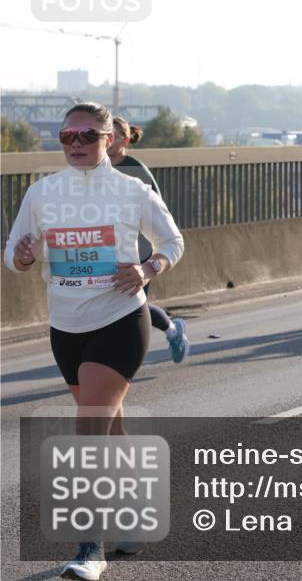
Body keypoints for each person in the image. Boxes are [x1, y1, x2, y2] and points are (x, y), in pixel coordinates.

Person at [4, 102, 184, 581]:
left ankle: (89, 547)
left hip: (121, 321)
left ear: (110, 138)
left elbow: (173, 242)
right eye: (67, 137)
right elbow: (13, 252)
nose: (76, 145)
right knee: (111, 432)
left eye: (86, 135)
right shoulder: (43, 193)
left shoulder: (133, 190)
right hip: (65, 328)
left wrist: (148, 269)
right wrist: (22, 257)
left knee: (88, 433)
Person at [108, 117, 190, 362]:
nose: (107, 141)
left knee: (134, 304)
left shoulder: (136, 169)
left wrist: (151, 255)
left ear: (124, 139)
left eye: (112, 136)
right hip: (108, 248)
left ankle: (173, 331)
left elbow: (156, 211)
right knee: (116, 306)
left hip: (140, 250)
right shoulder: (96, 168)